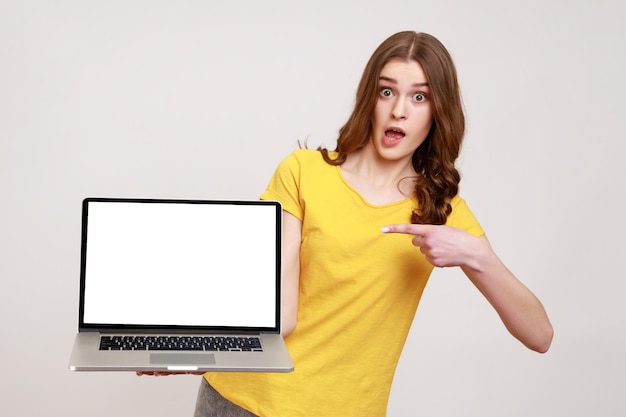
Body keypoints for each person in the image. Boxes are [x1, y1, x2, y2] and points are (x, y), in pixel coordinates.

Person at [146, 31, 554, 416]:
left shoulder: (441, 211)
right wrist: (195, 356)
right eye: (387, 91)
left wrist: (476, 255)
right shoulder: (303, 172)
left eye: (419, 97)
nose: (398, 109)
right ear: (369, 97)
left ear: (437, 112)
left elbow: (540, 335)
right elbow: (280, 316)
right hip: (243, 402)